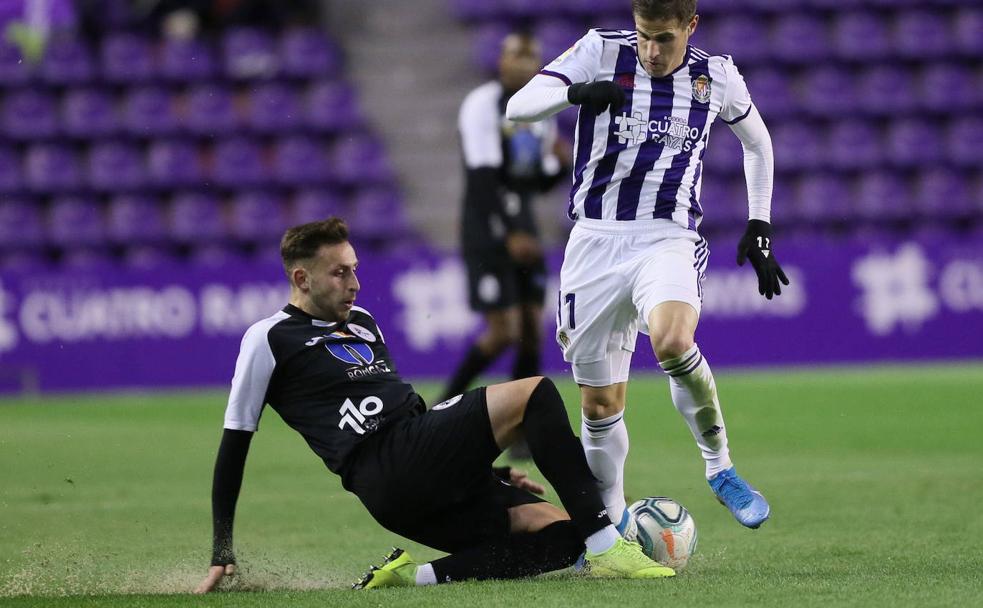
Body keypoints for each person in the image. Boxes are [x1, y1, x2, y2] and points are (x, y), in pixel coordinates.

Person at [195, 218, 674, 594]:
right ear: (301, 277)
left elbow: (407, 411)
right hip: (382, 460)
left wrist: (494, 474)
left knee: (565, 538)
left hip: (410, 478)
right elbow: (234, 444)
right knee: (535, 394)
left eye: (355, 269)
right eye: (339, 273)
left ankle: (412, 578)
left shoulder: (361, 322)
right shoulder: (267, 338)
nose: (355, 283)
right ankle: (609, 544)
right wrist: (222, 548)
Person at [506, 0, 788, 533]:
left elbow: (759, 144)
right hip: (594, 242)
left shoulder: (716, 76)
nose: (652, 52)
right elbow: (520, 106)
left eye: (664, 38)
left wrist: (760, 223)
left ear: (690, 26)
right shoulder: (601, 50)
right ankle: (609, 534)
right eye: (644, 37)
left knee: (673, 340)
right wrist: (574, 93)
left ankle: (720, 466)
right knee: (598, 407)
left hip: (667, 237)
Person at [438, 33, 567, 459]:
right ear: (501, 60)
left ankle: (519, 429)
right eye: (515, 54)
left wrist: (559, 165)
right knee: (502, 333)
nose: (523, 62)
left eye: (530, 55)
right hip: (487, 224)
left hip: (522, 223)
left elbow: (534, 179)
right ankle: (441, 409)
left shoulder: (539, 109)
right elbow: (483, 176)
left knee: (531, 329)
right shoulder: (482, 104)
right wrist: (507, 232)